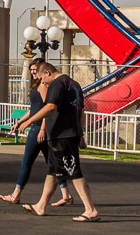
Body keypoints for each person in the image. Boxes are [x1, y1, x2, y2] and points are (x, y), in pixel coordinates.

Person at [23, 62, 98, 221]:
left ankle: (90, 210)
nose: (43, 81)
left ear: (48, 72)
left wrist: (28, 121)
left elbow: (50, 107)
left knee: (73, 171)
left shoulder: (57, 84)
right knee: (53, 171)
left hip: (62, 134)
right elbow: (80, 111)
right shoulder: (75, 84)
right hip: (69, 133)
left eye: (43, 77)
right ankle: (40, 206)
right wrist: (81, 134)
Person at [0, 60, 71, 207]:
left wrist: (42, 129)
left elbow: (47, 109)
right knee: (53, 164)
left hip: (38, 129)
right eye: (31, 69)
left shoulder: (44, 86)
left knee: (27, 162)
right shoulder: (38, 85)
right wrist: (19, 122)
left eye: (35, 69)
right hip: (39, 127)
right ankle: (66, 194)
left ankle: (16, 195)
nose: (33, 72)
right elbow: (34, 109)